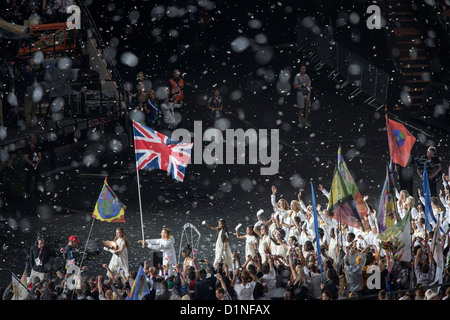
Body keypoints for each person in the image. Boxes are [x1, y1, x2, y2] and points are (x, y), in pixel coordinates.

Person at [20, 59, 38, 128]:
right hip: (28, 90)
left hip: (33, 90)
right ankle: (28, 123)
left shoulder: (32, 71)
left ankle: (33, 121)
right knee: (28, 108)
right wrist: (27, 88)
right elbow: (23, 82)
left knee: (33, 107)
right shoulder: (25, 71)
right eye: (31, 61)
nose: (33, 62)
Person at [293, 64, 312, 128]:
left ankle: (306, 122)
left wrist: (309, 95)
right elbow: (295, 86)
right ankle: (300, 122)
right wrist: (301, 85)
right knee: (301, 108)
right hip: (300, 93)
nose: (303, 70)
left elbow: (309, 86)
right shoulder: (297, 76)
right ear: (300, 69)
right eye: (302, 68)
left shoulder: (307, 77)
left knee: (307, 108)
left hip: (306, 93)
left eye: (304, 68)